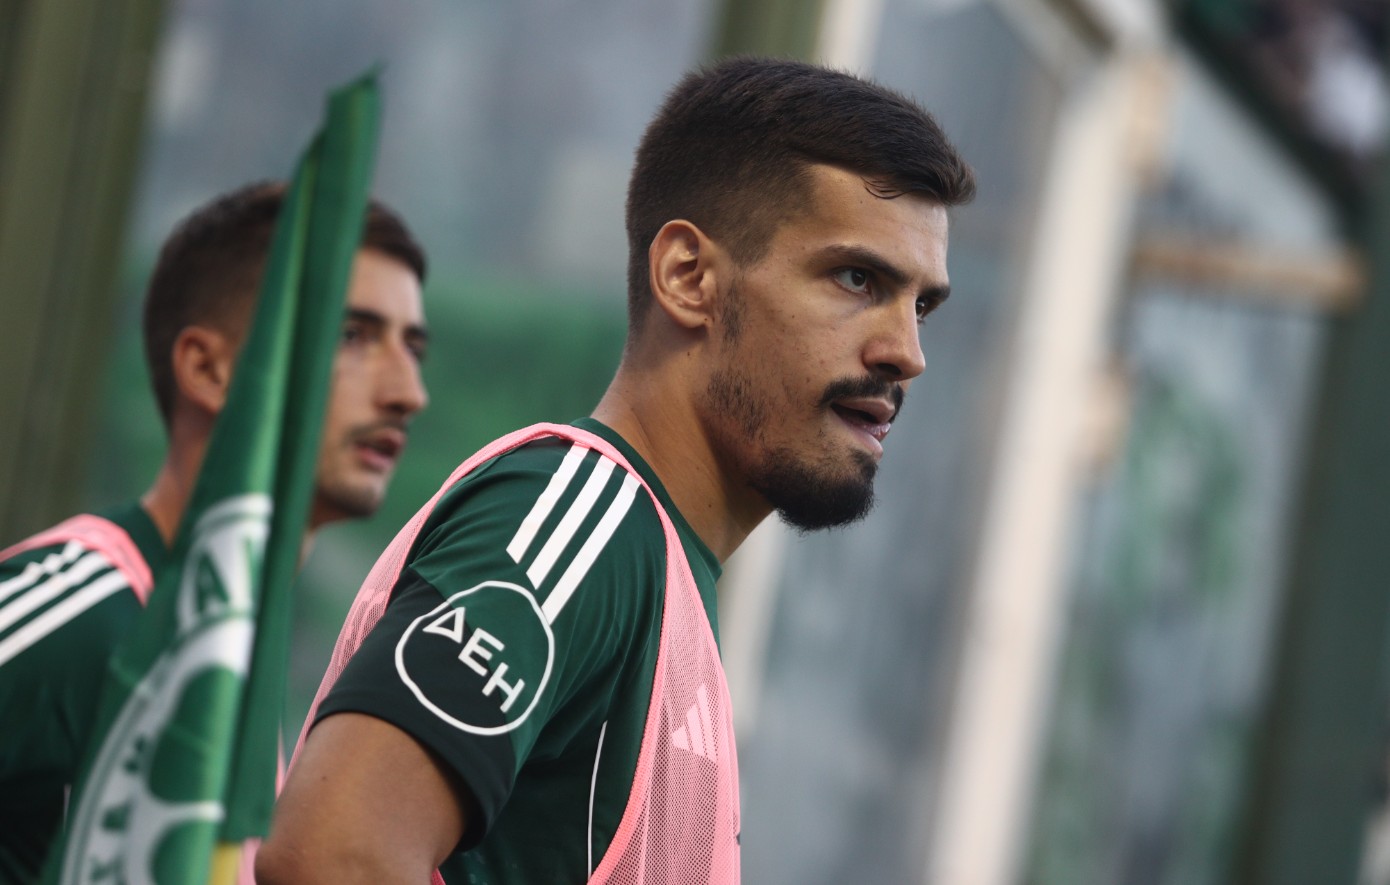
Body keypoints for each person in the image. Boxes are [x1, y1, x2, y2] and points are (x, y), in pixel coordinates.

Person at [258, 57, 975, 885]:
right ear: (688, 277)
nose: (906, 353)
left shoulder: (659, 579)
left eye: (922, 305)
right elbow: (332, 854)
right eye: (857, 278)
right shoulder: (589, 529)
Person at [0, 182, 430, 883]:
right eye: (352, 335)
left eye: (413, 347)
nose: (407, 392)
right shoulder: (82, 613)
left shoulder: (242, 669)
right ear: (209, 368)